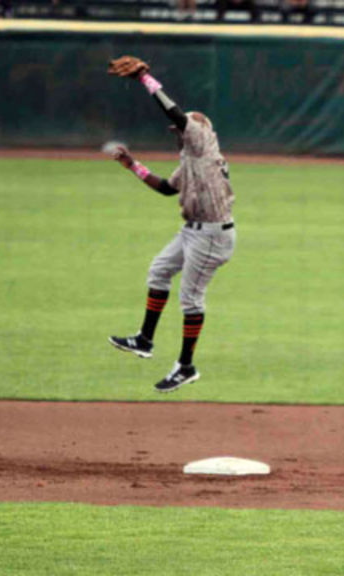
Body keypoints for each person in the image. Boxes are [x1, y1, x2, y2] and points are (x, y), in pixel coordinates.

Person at [106, 56, 236, 393]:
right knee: (159, 270)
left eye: (187, 127)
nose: (180, 129)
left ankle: (186, 366)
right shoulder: (191, 161)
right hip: (193, 231)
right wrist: (133, 166)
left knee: (191, 298)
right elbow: (167, 188)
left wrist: (146, 78)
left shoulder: (205, 149)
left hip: (212, 236)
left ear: (201, 133)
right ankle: (145, 340)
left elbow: (176, 114)